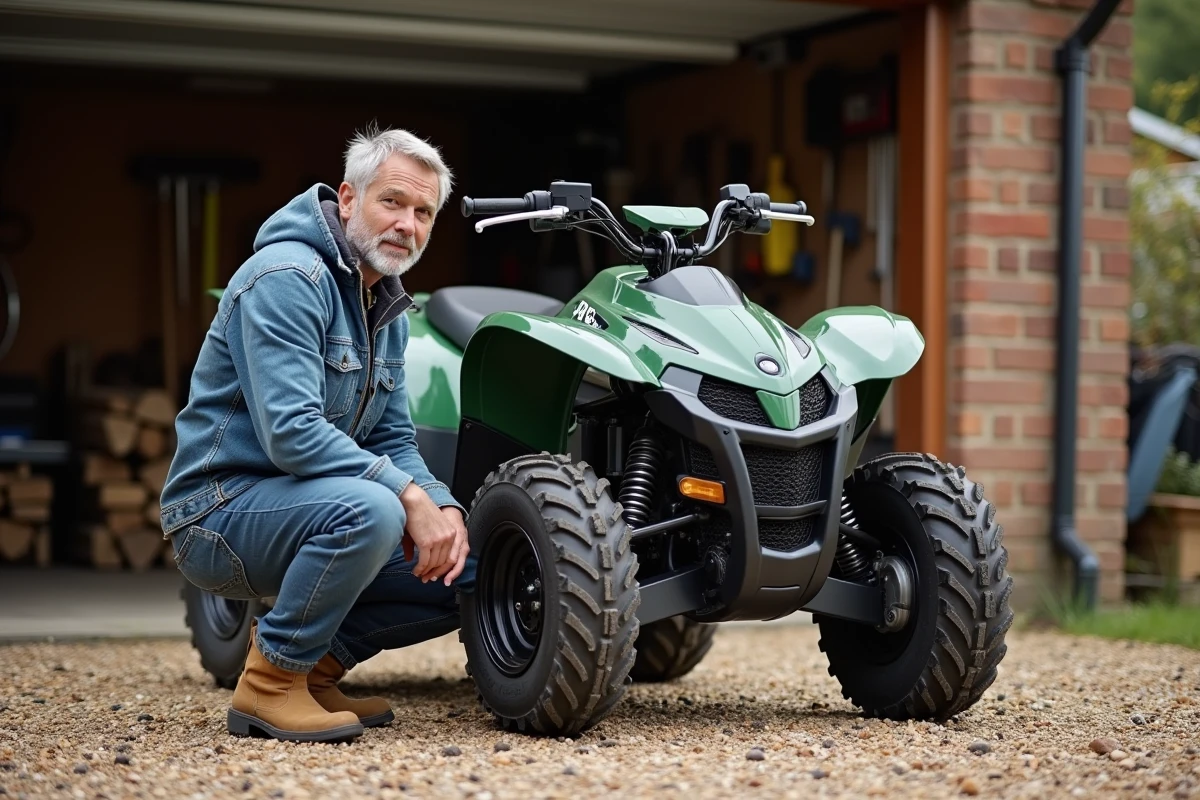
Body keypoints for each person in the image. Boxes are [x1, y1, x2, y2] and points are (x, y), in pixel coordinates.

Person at [160, 125, 473, 744]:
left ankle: (314, 669)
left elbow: (394, 438)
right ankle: (269, 686)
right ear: (348, 199)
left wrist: (442, 504)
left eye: (423, 212)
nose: (406, 224)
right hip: (219, 512)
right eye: (392, 201)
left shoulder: (384, 305)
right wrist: (408, 497)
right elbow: (292, 434)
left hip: (304, 508)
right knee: (375, 508)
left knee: (469, 562)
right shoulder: (286, 277)